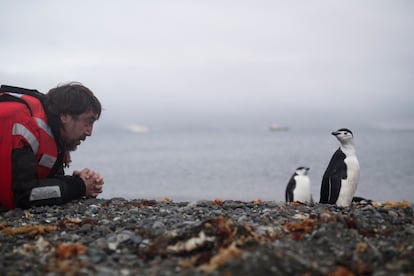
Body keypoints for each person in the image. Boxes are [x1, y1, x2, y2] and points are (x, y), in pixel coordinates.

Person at [0, 82, 104, 210]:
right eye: (88, 122)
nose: (89, 132)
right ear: (65, 116)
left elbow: (38, 182)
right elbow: (22, 196)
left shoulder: (51, 133)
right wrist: (79, 186)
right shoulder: (19, 122)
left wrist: (76, 181)